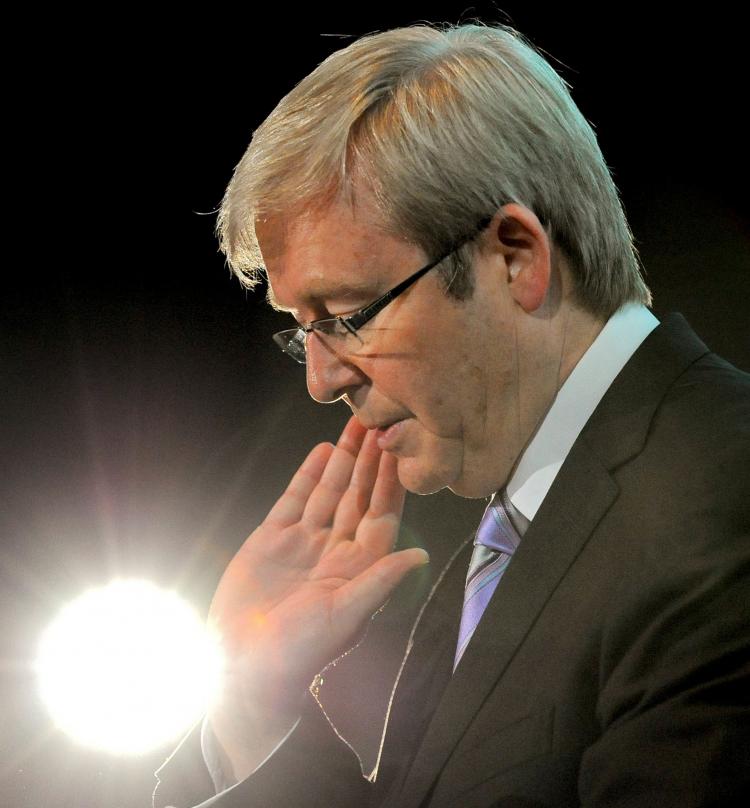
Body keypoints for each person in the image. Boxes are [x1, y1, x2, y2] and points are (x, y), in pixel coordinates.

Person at [153, 22, 749, 808]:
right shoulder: (529, 523)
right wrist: (254, 701)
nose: (322, 382)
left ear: (515, 257)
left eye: (349, 314)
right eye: (305, 332)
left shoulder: (721, 504)